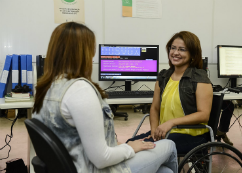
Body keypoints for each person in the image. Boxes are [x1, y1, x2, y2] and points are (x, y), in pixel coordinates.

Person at [32, 22, 178, 173]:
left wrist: (121, 146)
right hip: (94, 169)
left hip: (72, 165)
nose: (93, 56)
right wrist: (129, 148)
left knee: (165, 171)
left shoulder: (46, 88)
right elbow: (102, 159)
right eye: (91, 50)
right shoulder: (80, 91)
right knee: (168, 145)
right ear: (82, 53)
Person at [127, 31, 213, 154]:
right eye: (173, 48)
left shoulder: (199, 78)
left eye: (182, 49)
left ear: (192, 54)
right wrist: (153, 132)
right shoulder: (163, 76)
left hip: (192, 136)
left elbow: (203, 114)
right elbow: (155, 108)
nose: (175, 53)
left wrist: (171, 123)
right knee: (128, 146)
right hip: (166, 133)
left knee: (147, 152)